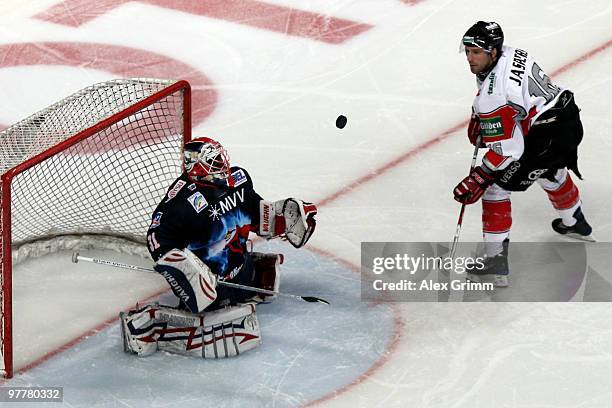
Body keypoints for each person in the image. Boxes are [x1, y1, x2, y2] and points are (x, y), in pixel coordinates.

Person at [120, 137, 317, 358]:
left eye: (219, 158)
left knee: (267, 279)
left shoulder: (238, 180)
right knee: (238, 331)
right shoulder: (182, 203)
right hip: (212, 288)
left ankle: (244, 281)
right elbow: (156, 237)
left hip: (241, 270)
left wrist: (282, 218)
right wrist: (182, 268)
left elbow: (256, 214)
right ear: (196, 166)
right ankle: (153, 325)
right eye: (213, 160)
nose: (221, 163)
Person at [453, 21, 593, 287]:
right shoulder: (512, 52)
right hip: (567, 119)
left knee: (495, 188)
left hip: (544, 139)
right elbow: (511, 99)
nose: (470, 58)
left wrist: (481, 177)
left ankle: (495, 262)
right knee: (550, 170)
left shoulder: (493, 96)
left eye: (476, 52)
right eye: (468, 51)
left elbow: (509, 149)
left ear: (493, 51)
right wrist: (480, 116)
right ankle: (575, 221)